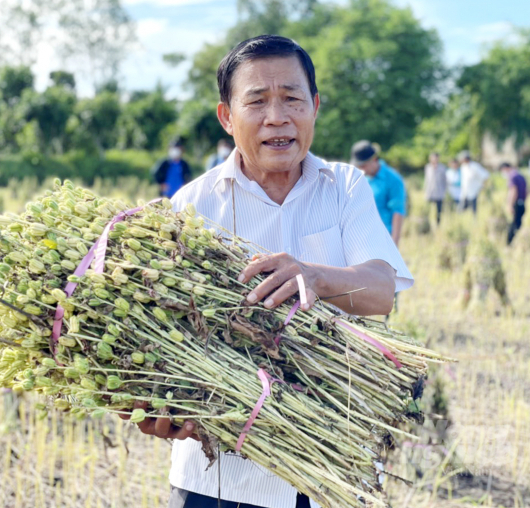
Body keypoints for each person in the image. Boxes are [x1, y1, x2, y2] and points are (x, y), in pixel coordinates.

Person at [124, 35, 414, 508]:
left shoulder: (344, 187)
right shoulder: (189, 207)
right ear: (227, 117)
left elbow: (383, 290)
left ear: (315, 107)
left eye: (292, 99)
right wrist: (159, 402)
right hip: (217, 482)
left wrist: (315, 278)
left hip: (327, 472)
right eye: (257, 101)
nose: (277, 117)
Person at [349, 140, 407, 247]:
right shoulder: (360, 178)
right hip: (362, 238)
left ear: (374, 160)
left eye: (363, 166)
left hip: (383, 239)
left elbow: (397, 212)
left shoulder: (393, 180)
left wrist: (393, 246)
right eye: (359, 166)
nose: (361, 169)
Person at [499, 162, 528, 245]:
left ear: (506, 168)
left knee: (514, 225)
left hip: (516, 203)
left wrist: (510, 205)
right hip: (522, 203)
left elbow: (513, 191)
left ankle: (509, 244)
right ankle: (516, 242)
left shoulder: (512, 176)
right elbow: (527, 191)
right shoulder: (521, 175)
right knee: (518, 224)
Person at [458, 151, 489, 215]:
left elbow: (485, 176)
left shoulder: (475, 166)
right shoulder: (463, 167)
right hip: (465, 192)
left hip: (475, 192)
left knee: (474, 211)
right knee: (462, 210)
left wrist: (483, 187)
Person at [423, 152, 447, 224]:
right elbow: (426, 180)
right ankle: (427, 223)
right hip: (430, 192)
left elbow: (445, 181)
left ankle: (438, 224)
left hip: (439, 192)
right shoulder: (428, 167)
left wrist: (444, 191)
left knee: (438, 211)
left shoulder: (442, 168)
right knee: (428, 210)